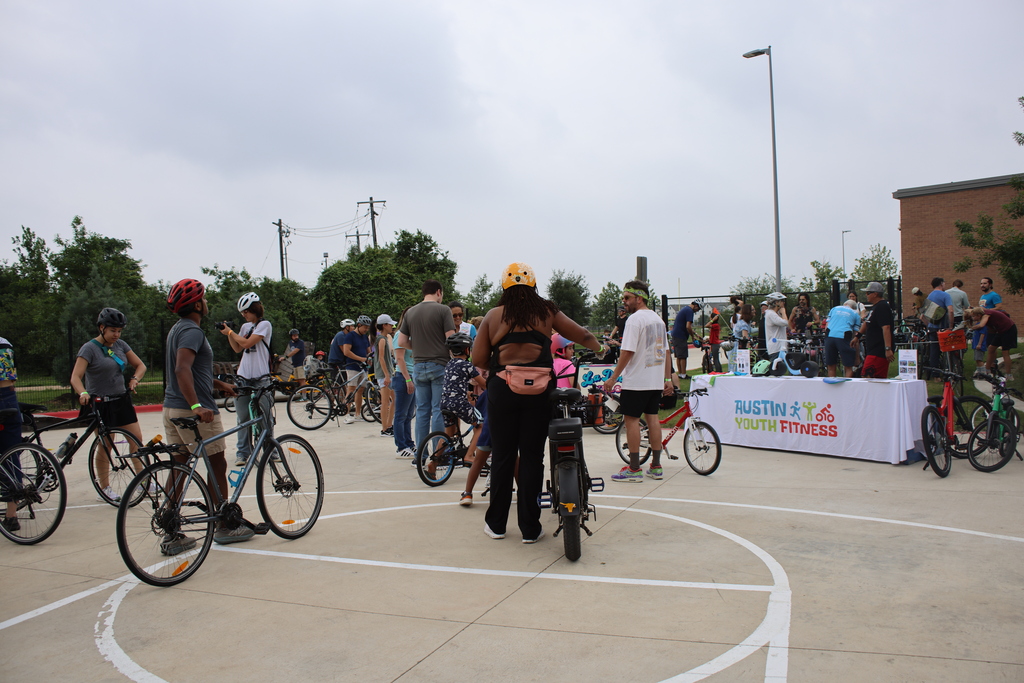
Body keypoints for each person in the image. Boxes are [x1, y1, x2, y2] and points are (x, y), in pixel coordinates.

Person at [471, 262, 605, 543]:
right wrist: (600, 348)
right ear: (533, 285)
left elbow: (478, 359)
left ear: (504, 286)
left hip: (503, 390)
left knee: (503, 456)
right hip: (539, 391)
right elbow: (582, 335)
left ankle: (496, 525)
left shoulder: (493, 316)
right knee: (532, 457)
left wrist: (501, 361)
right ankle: (530, 529)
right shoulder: (546, 311)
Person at [163, 278, 245, 549]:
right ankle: (224, 525)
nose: (206, 302)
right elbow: (182, 369)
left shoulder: (177, 329)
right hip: (193, 410)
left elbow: (193, 372)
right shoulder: (193, 331)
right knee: (217, 463)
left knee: (179, 466)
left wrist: (220, 384)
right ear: (197, 305)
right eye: (204, 299)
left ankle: (170, 529)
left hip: (171, 407)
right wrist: (197, 406)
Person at [69, 308, 148, 501]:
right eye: (113, 330)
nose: (117, 335)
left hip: (121, 400)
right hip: (100, 403)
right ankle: (104, 488)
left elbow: (141, 365)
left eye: (119, 331)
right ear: (102, 328)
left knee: (136, 441)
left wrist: (134, 379)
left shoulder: (120, 345)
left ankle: (143, 482)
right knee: (106, 444)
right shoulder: (89, 348)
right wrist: (83, 392)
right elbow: (75, 377)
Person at [604, 280, 673, 483]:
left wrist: (613, 377)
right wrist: (667, 378)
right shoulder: (658, 320)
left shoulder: (634, 320)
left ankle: (634, 468)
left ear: (639, 298)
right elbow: (666, 352)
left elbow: (627, 351)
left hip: (637, 381)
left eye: (627, 297)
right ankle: (656, 466)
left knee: (631, 420)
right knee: (653, 419)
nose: (624, 301)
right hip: (654, 381)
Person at [397, 280, 457, 451]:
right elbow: (451, 340)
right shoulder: (443, 310)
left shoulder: (410, 312)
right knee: (438, 409)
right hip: (439, 364)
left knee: (422, 411)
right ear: (438, 292)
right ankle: (438, 453)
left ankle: (421, 454)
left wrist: (417, 347)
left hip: (418, 366)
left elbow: (401, 341)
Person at [219, 291, 273, 467]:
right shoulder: (244, 327)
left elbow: (248, 343)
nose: (244, 315)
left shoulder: (265, 325)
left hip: (261, 377)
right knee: (243, 417)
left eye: (246, 312)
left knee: (265, 416)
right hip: (243, 376)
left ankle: (270, 451)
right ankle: (243, 452)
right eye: (242, 312)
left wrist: (231, 332)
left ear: (255, 309)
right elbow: (237, 348)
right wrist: (229, 334)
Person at [436, 332, 485, 480]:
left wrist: (466, 393)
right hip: (458, 402)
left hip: (445, 402)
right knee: (481, 425)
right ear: (466, 350)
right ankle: (469, 455)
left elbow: (454, 383)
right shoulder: (467, 365)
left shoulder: (449, 364)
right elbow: (483, 384)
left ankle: (433, 463)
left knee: (448, 434)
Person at [0, 336, 22, 530]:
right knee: (12, 455)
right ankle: (11, 515)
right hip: (9, 397)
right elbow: (11, 377)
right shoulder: (6, 344)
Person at [391, 308, 417, 459]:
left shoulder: (411, 335)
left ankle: (408, 443)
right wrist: (408, 379)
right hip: (403, 376)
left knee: (408, 415)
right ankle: (401, 447)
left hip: (412, 375)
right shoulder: (399, 335)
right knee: (401, 414)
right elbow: (399, 358)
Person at [856, 282, 894, 378]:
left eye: (868, 293)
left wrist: (888, 348)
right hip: (872, 349)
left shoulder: (882, 307)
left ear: (875, 294)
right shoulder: (875, 307)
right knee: (874, 379)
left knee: (868, 377)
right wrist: (857, 336)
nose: (866, 295)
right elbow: (867, 322)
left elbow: (886, 327)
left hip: (878, 350)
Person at [968, 307, 1017, 381]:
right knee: (991, 348)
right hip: (1000, 331)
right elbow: (991, 330)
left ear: (979, 315)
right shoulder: (986, 318)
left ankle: (1009, 375)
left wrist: (971, 328)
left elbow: (981, 325)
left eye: (973, 316)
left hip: (1009, 329)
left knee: (1005, 351)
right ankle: (987, 371)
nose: (972, 318)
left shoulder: (986, 314)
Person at [341, 315, 373, 424]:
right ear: (359, 325)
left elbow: (368, 350)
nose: (366, 329)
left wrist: (369, 358)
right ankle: (346, 413)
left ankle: (357, 414)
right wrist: (361, 359)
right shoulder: (350, 336)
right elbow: (346, 352)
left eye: (368, 328)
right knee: (351, 389)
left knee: (360, 390)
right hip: (352, 366)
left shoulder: (365, 337)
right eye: (365, 327)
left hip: (363, 367)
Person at [921, 277, 953, 380]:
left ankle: (935, 375)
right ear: (941, 284)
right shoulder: (945, 295)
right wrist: (951, 326)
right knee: (948, 350)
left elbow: (922, 316)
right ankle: (950, 372)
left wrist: (929, 325)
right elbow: (951, 311)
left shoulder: (929, 296)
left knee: (934, 351)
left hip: (932, 328)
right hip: (943, 327)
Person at [373, 314, 398, 438]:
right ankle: (384, 428)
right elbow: (381, 358)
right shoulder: (382, 339)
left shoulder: (383, 338)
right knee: (385, 402)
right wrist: (387, 375)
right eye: (390, 325)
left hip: (386, 373)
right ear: (384, 325)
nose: (392, 327)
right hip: (384, 374)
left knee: (393, 399)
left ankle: (388, 425)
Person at [822, 300, 861, 378]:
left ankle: (832, 383)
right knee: (848, 367)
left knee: (831, 366)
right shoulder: (855, 314)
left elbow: (827, 326)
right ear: (854, 308)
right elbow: (855, 336)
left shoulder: (834, 309)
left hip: (830, 336)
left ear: (844, 304)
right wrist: (857, 357)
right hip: (844, 336)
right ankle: (847, 384)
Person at [327, 319, 356, 392]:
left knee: (343, 381)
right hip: (336, 361)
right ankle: (333, 396)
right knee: (337, 382)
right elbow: (344, 350)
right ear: (347, 327)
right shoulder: (341, 335)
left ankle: (343, 397)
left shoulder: (345, 335)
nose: (354, 328)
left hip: (340, 361)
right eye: (352, 326)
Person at [671, 301, 698, 376]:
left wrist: (695, 334)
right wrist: (692, 336)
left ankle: (680, 374)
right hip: (681, 335)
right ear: (695, 305)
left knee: (679, 356)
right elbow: (688, 326)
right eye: (698, 309)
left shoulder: (685, 309)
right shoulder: (690, 311)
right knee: (683, 356)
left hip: (675, 334)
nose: (697, 311)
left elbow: (684, 325)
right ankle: (683, 374)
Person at [763, 293, 789, 360]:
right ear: (776, 302)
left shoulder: (774, 314)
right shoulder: (771, 314)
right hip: (776, 348)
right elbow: (785, 322)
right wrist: (783, 312)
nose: (784, 303)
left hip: (780, 347)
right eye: (782, 301)